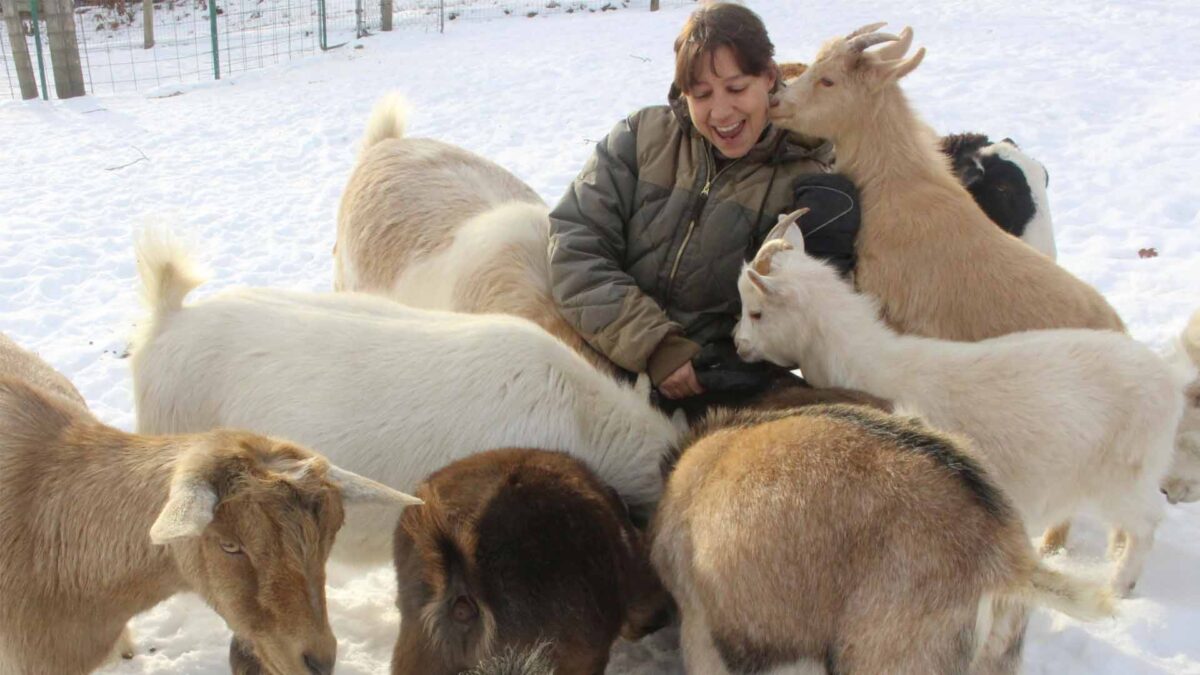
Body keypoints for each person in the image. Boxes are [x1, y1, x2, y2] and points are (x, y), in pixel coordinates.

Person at [548, 2, 860, 409]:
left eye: (736, 88)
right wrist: (657, 346)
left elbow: (799, 316)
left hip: (715, 395)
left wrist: (713, 366)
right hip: (598, 362)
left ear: (769, 77)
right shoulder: (640, 137)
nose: (721, 112)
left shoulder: (810, 178)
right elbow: (574, 245)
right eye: (701, 94)